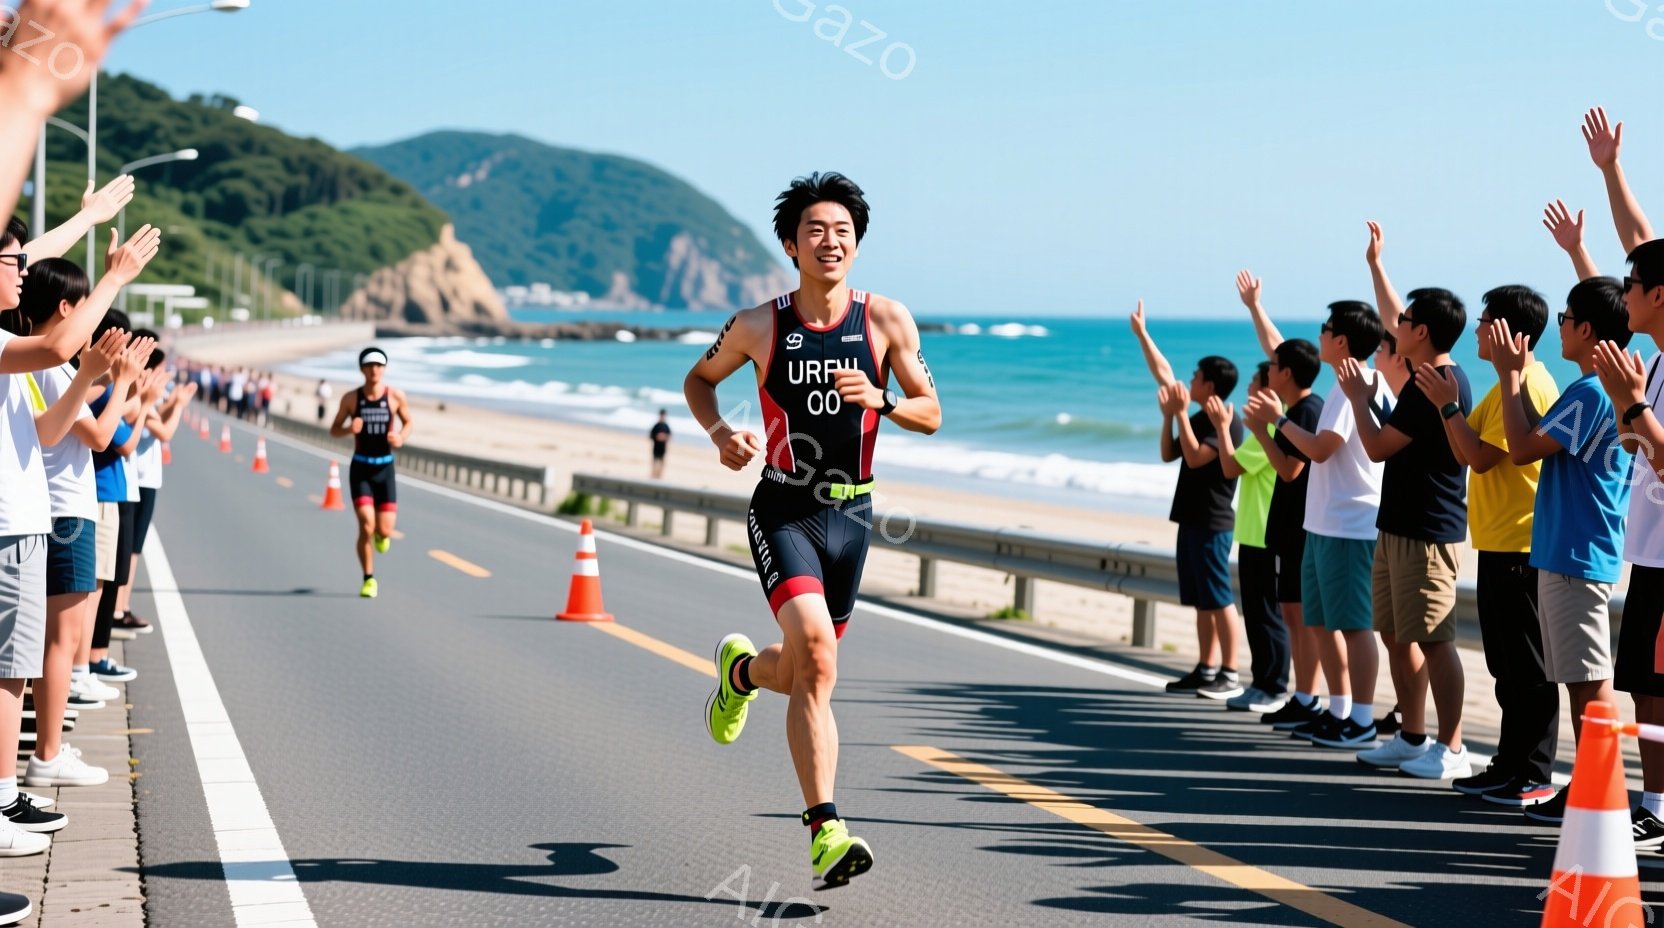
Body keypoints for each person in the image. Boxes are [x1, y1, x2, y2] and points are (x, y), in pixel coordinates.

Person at [686, 172, 941, 890]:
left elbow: (932, 411)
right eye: (815, 231)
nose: (830, 242)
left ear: (857, 245)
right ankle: (825, 830)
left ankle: (740, 673)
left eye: (842, 232)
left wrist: (884, 401)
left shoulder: (888, 321)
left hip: (853, 518)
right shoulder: (758, 325)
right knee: (821, 664)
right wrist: (717, 434)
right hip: (784, 507)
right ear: (791, 245)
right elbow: (698, 381)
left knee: (800, 672)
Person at [8, 257, 153, 792]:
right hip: (66, 512)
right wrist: (122, 386)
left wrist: (108, 380)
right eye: (86, 303)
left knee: (55, 639)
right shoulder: (50, 363)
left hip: (61, 511)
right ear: (67, 307)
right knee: (61, 640)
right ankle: (47, 753)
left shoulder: (49, 363)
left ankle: (48, 747)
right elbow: (96, 437)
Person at [1492, 278, 1633, 825]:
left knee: (1589, 681)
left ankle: (1600, 793)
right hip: (1570, 554)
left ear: (1588, 331)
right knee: (1580, 679)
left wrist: (1509, 376)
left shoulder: (1592, 392)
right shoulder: (1593, 391)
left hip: (1577, 555)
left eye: (1566, 319)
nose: (1560, 328)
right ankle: (1590, 786)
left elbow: (1523, 448)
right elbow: (1535, 436)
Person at [1415, 284, 1560, 805]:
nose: (1477, 329)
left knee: (1528, 666)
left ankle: (1534, 771)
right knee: (1506, 664)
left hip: (1521, 541)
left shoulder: (1529, 386)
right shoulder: (1503, 387)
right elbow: (1465, 448)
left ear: (1507, 332)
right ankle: (1510, 762)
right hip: (1498, 539)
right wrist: (1448, 410)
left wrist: (1447, 408)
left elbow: (1478, 456)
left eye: (1485, 320)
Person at [1346, 226, 1473, 778]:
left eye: (1401, 324)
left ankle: (1452, 746)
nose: (1392, 327)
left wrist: (1358, 400)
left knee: (1435, 638)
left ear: (1421, 332)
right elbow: (1399, 310)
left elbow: (1375, 448)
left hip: (1428, 529)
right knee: (1397, 633)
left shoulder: (1435, 384)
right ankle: (1412, 734)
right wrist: (1377, 265)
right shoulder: (1425, 371)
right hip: (1397, 523)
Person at [1129, 300, 1247, 699]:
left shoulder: (1226, 420)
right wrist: (1144, 335)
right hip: (1191, 517)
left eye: (1196, 375)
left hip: (1214, 520)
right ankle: (1206, 666)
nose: (1190, 380)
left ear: (1210, 385)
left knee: (1219, 598)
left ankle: (1230, 672)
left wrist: (1179, 414)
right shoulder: (1195, 416)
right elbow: (1170, 452)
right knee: (1201, 600)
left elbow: (1198, 458)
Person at [1238, 272, 1327, 721]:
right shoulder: (1299, 408)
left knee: (1302, 618)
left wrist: (1261, 429)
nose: (1268, 372)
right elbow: (1279, 350)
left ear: (1287, 373)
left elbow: (1290, 469)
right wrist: (1255, 307)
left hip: (1300, 528)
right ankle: (1304, 696)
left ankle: (1310, 698)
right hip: (1292, 528)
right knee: (1295, 616)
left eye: (1274, 368)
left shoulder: (1306, 411)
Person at [1206, 363, 1287, 710]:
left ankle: (1275, 686)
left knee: (1268, 614)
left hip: (1266, 534)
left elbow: (1229, 466)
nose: (1250, 387)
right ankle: (1261, 682)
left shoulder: (1268, 428)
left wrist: (1224, 428)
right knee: (1255, 613)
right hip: (1253, 533)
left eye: (1255, 381)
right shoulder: (1264, 429)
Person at [329, 347, 412, 599]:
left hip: (385, 468)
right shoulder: (351, 399)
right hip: (361, 468)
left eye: (379, 365)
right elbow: (334, 429)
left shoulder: (395, 396)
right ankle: (368, 579)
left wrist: (400, 437)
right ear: (362, 369)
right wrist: (349, 430)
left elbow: (408, 422)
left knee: (384, 531)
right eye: (369, 365)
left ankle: (381, 536)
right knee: (366, 526)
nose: (374, 370)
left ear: (384, 369)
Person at [650, 409, 671, 479]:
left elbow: (669, 436)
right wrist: (658, 437)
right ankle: (653, 477)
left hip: (663, 449)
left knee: (662, 465)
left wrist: (664, 437)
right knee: (655, 464)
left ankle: (659, 477)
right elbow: (651, 436)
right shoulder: (656, 426)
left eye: (664, 416)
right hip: (656, 448)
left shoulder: (666, 426)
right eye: (662, 416)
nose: (662, 417)